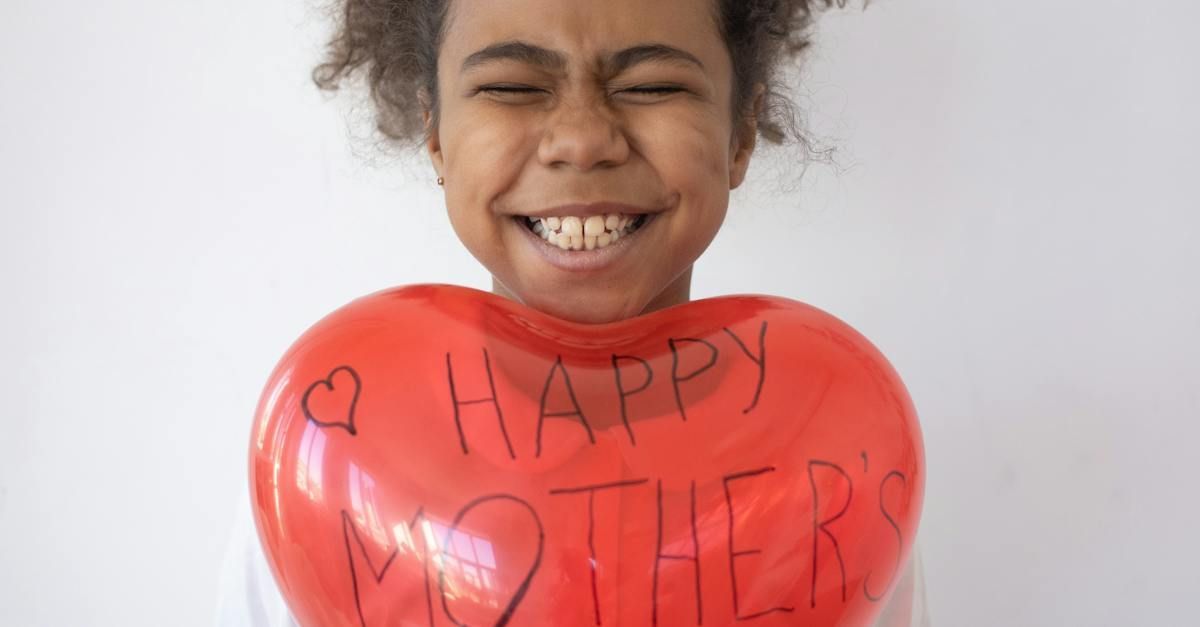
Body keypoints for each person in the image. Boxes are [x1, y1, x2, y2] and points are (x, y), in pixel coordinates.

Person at [216, 0, 930, 624]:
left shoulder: (823, 476)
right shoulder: (335, 468)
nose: (582, 139)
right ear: (436, 133)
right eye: (511, 87)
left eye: (652, 85)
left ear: (739, 131)